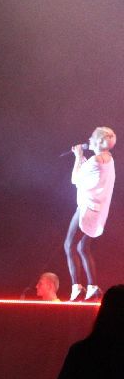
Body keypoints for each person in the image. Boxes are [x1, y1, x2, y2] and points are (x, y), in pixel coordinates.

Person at [65, 127, 116, 301]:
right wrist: (83, 161)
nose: (89, 138)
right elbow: (93, 176)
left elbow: (75, 179)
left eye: (92, 137)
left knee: (69, 245)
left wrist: (78, 157)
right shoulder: (109, 160)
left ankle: (76, 287)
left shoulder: (94, 160)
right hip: (98, 212)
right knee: (83, 247)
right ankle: (92, 287)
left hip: (86, 209)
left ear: (97, 142)